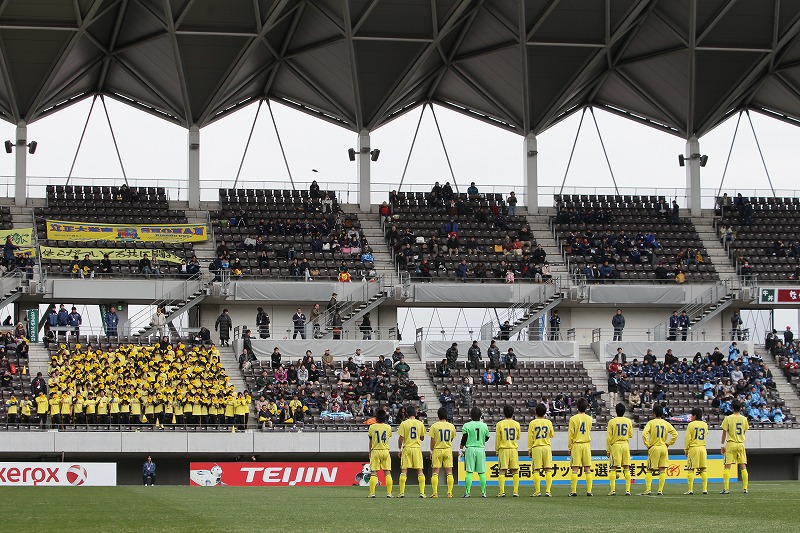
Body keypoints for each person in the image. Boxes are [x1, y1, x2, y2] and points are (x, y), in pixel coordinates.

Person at [641, 404, 678, 496]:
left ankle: (648, 489)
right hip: (663, 447)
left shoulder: (651, 423)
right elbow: (675, 434)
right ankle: (660, 490)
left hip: (654, 447)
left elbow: (644, 434)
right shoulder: (666, 423)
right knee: (662, 470)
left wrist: (647, 445)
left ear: (654, 413)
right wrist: (668, 443)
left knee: (649, 469)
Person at [720, 399, 749, 494]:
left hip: (731, 443)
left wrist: (722, 445)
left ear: (732, 408)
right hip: (740, 443)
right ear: (740, 408)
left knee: (727, 466)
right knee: (743, 466)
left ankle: (726, 489)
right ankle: (745, 488)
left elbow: (724, 433)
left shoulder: (728, 418)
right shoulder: (744, 419)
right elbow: (744, 431)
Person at [397, 405, 426, 498]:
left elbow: (401, 438)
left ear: (407, 414)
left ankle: (401, 493)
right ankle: (422, 493)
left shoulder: (404, 423)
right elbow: (422, 438)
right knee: (420, 470)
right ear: (416, 413)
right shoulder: (420, 423)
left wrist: (399, 449)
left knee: (404, 470)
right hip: (416, 448)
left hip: (407, 448)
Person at [460, 406, 489, 498]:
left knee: (469, 472)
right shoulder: (484, 425)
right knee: (482, 472)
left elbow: (464, 438)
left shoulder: (467, 425)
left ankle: (467, 492)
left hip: (470, 449)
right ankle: (483, 492)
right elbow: (487, 437)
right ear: (480, 415)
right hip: (480, 449)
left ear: (471, 415)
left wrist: (461, 448)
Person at [567, 397, 594, 497]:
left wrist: (570, 447)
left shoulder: (573, 419)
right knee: (587, 468)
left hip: (577, 445)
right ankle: (589, 491)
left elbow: (571, 434)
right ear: (586, 407)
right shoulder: (589, 418)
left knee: (575, 468)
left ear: (577, 407)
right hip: (586, 444)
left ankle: (574, 491)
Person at [428, 406, 456, 498]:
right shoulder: (451, 426)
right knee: (449, 472)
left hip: (437, 450)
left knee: (435, 472)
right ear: (446, 415)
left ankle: (435, 493)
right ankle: (449, 493)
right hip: (447, 449)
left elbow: (432, 440)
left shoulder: (434, 426)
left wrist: (431, 450)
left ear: (438, 415)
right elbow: (451, 438)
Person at [528, 403, 555, 497]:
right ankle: (548, 491)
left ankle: (538, 491)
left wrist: (529, 449)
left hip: (537, 447)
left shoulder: (532, 423)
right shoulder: (548, 422)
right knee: (548, 469)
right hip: (546, 447)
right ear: (545, 412)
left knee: (536, 470)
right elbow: (552, 434)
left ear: (536, 412)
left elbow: (530, 438)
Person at [606, 403, 633, 496]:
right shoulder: (628, 421)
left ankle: (613, 490)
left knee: (613, 467)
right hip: (625, 444)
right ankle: (628, 490)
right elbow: (631, 434)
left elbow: (609, 438)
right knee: (626, 467)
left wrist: (608, 450)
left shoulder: (612, 422)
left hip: (616, 445)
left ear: (616, 411)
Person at [495, 404, 521, 497]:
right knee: (515, 471)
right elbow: (518, 437)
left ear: (503, 413)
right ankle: (515, 491)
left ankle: (502, 492)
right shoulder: (516, 424)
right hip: (513, 449)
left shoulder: (500, 424)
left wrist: (497, 450)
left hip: (503, 449)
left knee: (502, 471)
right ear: (513, 413)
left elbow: (498, 439)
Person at [367, 409, 394, 498]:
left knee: (374, 473)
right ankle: (389, 493)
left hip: (375, 450)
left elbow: (371, 441)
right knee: (387, 472)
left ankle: (372, 493)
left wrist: (370, 452)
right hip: (385, 450)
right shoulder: (388, 427)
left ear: (376, 417)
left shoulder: (372, 427)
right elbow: (388, 437)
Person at [685, 407, 709, 495]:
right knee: (703, 469)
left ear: (694, 416)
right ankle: (705, 489)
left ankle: (690, 490)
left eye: (692, 415)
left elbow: (688, 438)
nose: (691, 417)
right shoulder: (705, 425)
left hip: (694, 448)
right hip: (702, 448)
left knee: (691, 469)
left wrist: (686, 449)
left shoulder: (691, 425)